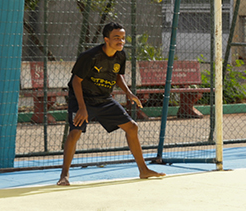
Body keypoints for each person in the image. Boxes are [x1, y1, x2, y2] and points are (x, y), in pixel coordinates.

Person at [58, 22, 167, 186]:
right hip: (83, 99)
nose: (121, 41)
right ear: (106, 39)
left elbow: (117, 76)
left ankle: (143, 170)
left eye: (123, 38)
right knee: (75, 132)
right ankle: (64, 176)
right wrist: (81, 107)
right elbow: (76, 81)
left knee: (132, 127)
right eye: (117, 38)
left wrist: (129, 93)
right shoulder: (90, 56)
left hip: (104, 98)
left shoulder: (120, 55)